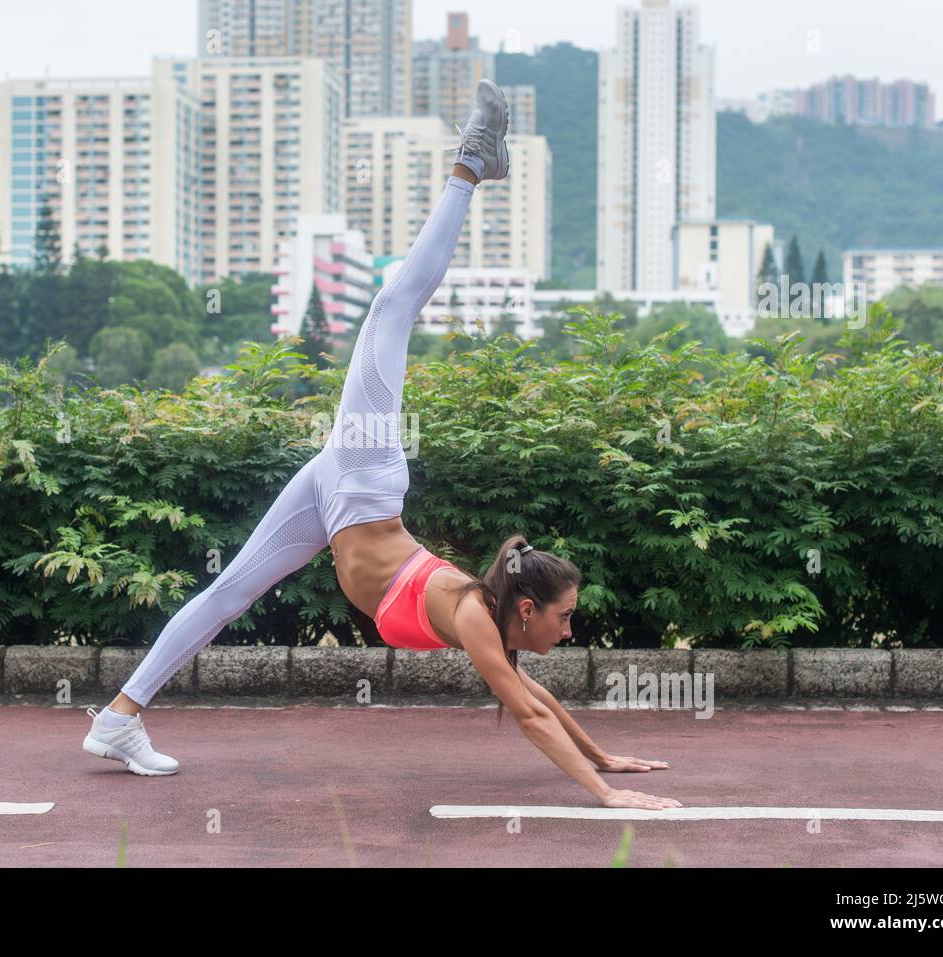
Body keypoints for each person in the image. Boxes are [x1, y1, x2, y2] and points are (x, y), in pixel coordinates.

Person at [82, 80, 681, 811]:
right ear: (524, 609)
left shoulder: (488, 624)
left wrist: (605, 756)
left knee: (230, 592)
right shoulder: (469, 612)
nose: (571, 625)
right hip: (363, 481)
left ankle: (118, 717)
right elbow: (525, 712)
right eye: (564, 615)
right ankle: (469, 162)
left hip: (338, 504)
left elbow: (530, 696)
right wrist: (605, 795)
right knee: (390, 307)